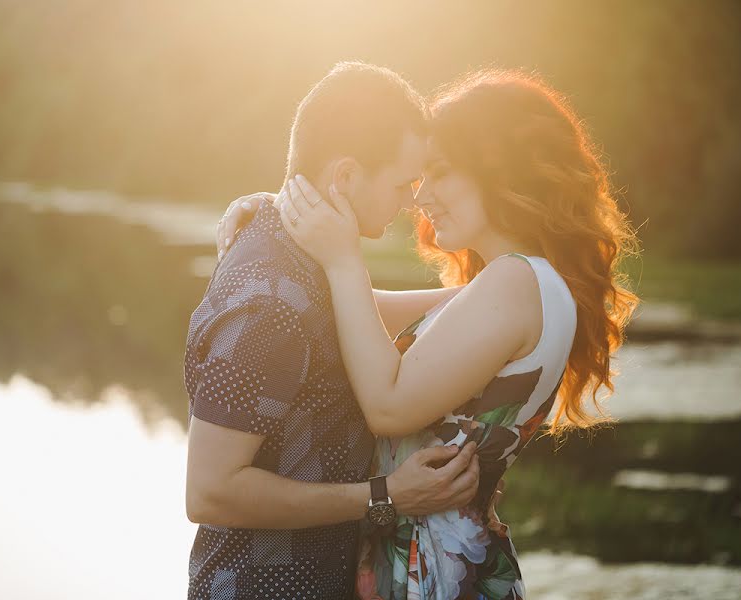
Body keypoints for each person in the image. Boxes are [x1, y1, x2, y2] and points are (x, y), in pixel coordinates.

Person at [218, 69, 639, 599]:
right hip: (431, 557)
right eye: (418, 179)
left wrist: (345, 258)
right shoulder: (516, 283)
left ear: (499, 170)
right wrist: (281, 230)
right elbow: (356, 314)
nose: (422, 197)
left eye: (439, 174)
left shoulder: (516, 282)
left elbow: (388, 407)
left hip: (436, 572)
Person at [183, 61, 482, 600]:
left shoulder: (301, 253)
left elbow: (354, 316)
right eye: (401, 183)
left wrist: (498, 294)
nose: (411, 200)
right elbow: (209, 491)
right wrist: (385, 495)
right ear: (345, 177)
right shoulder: (267, 303)